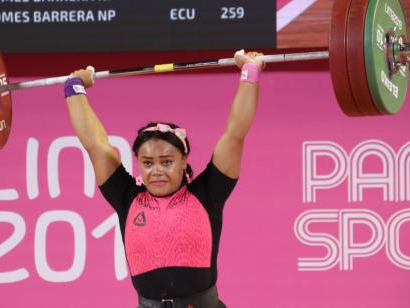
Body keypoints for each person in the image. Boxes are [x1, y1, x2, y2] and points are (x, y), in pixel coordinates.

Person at [65, 50, 264, 308]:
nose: (156, 171)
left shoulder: (208, 193)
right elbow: (96, 145)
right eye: (147, 163)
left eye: (167, 162)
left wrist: (250, 72)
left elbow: (235, 133)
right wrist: (74, 88)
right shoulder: (126, 198)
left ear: (184, 161)